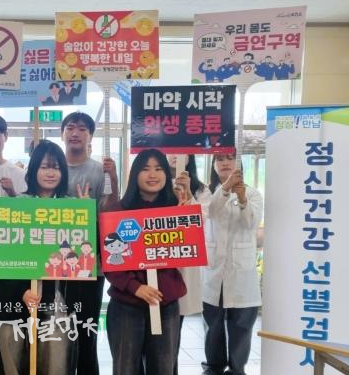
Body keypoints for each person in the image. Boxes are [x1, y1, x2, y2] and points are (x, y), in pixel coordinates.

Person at [0, 140, 86, 375]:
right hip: (17, 300)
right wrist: (21, 290)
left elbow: (83, 258)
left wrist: (84, 218)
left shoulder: (72, 207)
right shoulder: (15, 206)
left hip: (56, 300)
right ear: (33, 170)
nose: (50, 173)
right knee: (14, 364)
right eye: (44, 167)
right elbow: (0, 260)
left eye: (56, 167)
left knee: (55, 365)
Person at [105, 149, 186, 375]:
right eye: (145, 169)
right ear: (135, 174)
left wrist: (187, 212)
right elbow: (110, 259)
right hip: (126, 304)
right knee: (125, 368)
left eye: (159, 169)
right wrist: (135, 287)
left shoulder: (177, 209)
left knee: (163, 367)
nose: (153, 175)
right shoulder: (118, 210)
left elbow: (190, 250)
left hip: (165, 302)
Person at [61, 111, 119, 375]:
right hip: (53, 265)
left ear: (90, 136)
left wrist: (113, 180)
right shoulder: (52, 168)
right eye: (70, 127)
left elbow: (110, 215)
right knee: (57, 332)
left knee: (86, 331)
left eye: (82, 129)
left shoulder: (100, 171)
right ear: (62, 133)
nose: (75, 133)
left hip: (90, 266)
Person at [201, 153, 263, 375]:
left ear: (239, 163)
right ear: (213, 165)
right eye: (219, 159)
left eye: (229, 158)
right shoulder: (207, 193)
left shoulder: (253, 193)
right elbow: (211, 212)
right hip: (214, 270)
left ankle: (237, 369)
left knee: (241, 325)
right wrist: (226, 187)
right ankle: (213, 367)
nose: (225, 163)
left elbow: (251, 223)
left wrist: (243, 198)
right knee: (213, 325)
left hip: (241, 271)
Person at [167, 154, 213, 375]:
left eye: (182, 151)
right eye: (170, 150)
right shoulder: (156, 181)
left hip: (182, 268)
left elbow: (201, 221)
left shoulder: (201, 190)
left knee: (173, 332)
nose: (175, 155)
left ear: (190, 156)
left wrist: (188, 198)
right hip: (157, 264)